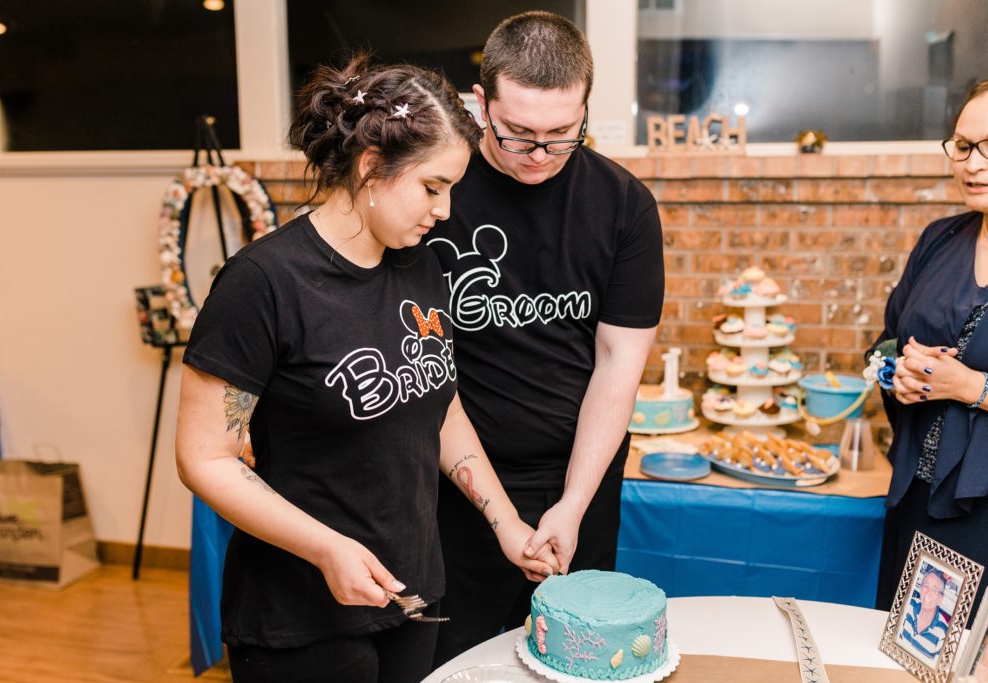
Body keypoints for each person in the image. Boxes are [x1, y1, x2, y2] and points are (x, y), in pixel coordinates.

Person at [175, 54, 558, 683]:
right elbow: (204, 458)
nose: (445, 210)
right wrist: (327, 548)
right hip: (301, 614)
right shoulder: (263, 283)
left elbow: (440, 407)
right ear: (372, 168)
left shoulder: (422, 265)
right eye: (433, 187)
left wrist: (506, 521)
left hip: (411, 590)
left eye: (453, 189)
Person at [425, 11, 664, 664]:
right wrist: (500, 513)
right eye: (519, 134)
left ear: (586, 107)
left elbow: (619, 366)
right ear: (482, 104)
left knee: (576, 661)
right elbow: (427, 374)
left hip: (580, 474)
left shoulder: (624, 206)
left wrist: (573, 504)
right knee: (457, 659)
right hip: (459, 483)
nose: (539, 154)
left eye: (562, 134)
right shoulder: (433, 197)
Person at [871, 80, 988, 624]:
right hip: (916, 490)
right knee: (902, 649)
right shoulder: (940, 239)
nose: (973, 163)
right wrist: (895, 372)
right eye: (963, 146)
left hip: (982, 508)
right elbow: (884, 344)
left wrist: (971, 387)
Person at [898, 566, 950, 662]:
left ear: (940, 599)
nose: (928, 593)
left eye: (934, 590)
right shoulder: (909, 605)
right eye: (926, 586)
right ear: (921, 589)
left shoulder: (943, 633)